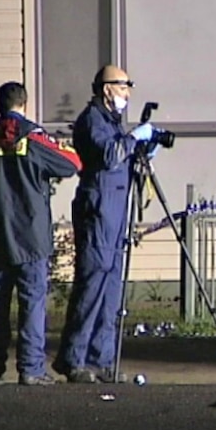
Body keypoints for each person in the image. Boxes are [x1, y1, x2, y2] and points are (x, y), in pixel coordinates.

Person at [0, 82, 82, 385]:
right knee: (32, 301)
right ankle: (30, 369)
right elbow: (71, 164)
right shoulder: (34, 136)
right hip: (30, 235)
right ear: (24, 104)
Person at [53, 65, 162, 383]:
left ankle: (102, 359)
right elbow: (110, 155)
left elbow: (123, 157)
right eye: (123, 86)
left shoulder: (113, 122)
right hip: (98, 211)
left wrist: (145, 149)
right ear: (106, 88)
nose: (127, 92)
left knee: (111, 290)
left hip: (115, 214)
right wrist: (133, 139)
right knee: (92, 284)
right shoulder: (93, 120)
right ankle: (74, 359)